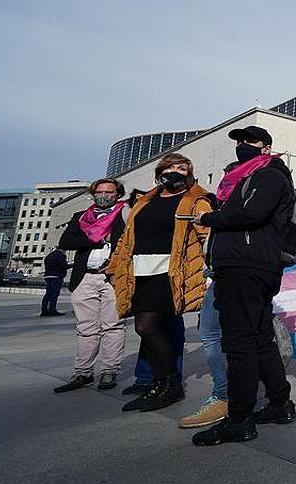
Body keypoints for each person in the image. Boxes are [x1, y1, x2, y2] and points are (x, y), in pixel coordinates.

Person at [191, 126, 296, 446]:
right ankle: (280, 404)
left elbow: (251, 214)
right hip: (246, 264)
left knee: (238, 343)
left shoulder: (269, 175)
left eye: (249, 142)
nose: (242, 146)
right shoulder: (243, 177)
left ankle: (239, 419)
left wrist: (209, 219)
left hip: (246, 265)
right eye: (239, 142)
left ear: (266, 147)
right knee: (261, 338)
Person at [107, 153, 213, 413]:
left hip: (170, 272)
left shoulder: (196, 200)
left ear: (190, 174)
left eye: (183, 168)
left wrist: (210, 271)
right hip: (138, 271)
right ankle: (157, 382)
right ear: (160, 172)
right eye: (171, 167)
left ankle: (169, 384)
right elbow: (127, 236)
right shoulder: (145, 200)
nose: (176, 171)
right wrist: (113, 267)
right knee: (151, 328)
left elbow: (208, 237)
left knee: (147, 327)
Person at [52, 178, 129, 393]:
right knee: (85, 327)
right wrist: (97, 238)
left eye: (109, 192)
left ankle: (109, 370)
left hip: (112, 277)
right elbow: (67, 241)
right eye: (99, 191)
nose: (104, 195)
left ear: (118, 194)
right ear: (93, 194)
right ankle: (83, 372)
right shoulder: (81, 217)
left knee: (113, 325)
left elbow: (130, 241)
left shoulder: (125, 213)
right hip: (85, 277)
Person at [178, 278, 229, 428]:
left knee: (211, 332)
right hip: (241, 269)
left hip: (232, 269)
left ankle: (224, 397)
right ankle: (276, 398)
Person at [40, 248, 68, 316]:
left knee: (48, 294)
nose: (65, 252)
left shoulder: (49, 256)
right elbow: (64, 266)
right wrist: (74, 264)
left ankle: (44, 310)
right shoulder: (59, 255)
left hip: (48, 276)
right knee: (54, 294)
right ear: (62, 250)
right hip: (56, 276)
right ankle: (52, 310)